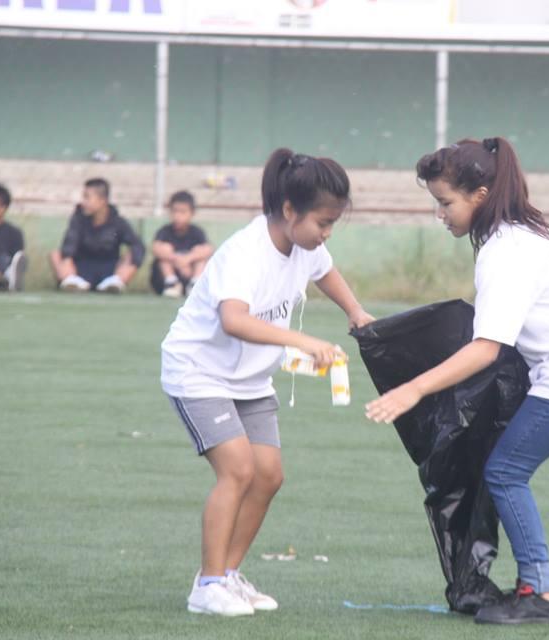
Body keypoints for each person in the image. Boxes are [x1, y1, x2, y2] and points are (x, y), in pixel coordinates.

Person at [365, 137, 549, 625]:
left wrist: (413, 388)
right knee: (505, 469)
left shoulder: (506, 251)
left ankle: (541, 594)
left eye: (445, 202)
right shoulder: (516, 235)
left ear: (481, 195)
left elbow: (485, 348)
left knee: (506, 472)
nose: (440, 214)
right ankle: (536, 587)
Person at [161, 148, 375, 617]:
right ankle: (207, 586)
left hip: (250, 380)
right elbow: (234, 320)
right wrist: (303, 341)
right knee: (238, 470)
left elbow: (326, 272)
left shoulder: (306, 246)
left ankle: (226, 575)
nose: (327, 233)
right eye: (323, 222)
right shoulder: (246, 252)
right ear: (289, 210)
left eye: (333, 223)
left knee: (269, 476)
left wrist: (355, 311)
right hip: (199, 372)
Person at [49, 178, 145, 293]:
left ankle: (116, 283)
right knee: (56, 254)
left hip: (109, 270)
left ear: (102, 200)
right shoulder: (78, 219)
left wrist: (125, 267)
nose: (83, 202)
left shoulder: (118, 222)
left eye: (87, 197)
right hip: (81, 269)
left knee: (133, 253)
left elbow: (137, 245)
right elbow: (69, 244)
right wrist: (68, 263)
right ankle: (71, 281)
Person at [150, 190, 214, 298]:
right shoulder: (164, 231)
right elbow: (155, 248)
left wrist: (188, 258)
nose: (178, 216)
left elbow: (208, 249)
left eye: (183, 212)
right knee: (164, 249)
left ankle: (195, 284)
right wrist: (177, 259)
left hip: (189, 274)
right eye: (174, 211)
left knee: (200, 252)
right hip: (164, 279)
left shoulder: (197, 232)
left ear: (192, 213)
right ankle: (171, 283)